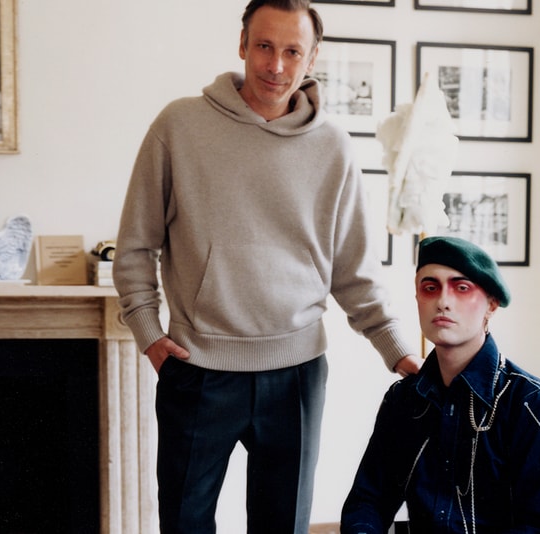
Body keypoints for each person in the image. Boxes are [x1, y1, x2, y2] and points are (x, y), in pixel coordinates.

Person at [113, 1, 420, 532]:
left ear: (312, 58)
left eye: (292, 51)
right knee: (184, 524)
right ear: (242, 44)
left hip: (296, 373)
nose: (276, 65)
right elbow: (136, 246)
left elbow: (354, 270)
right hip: (198, 366)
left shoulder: (333, 147)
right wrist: (149, 334)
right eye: (264, 46)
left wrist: (397, 351)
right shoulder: (179, 126)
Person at [341, 236, 540, 533]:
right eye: (430, 288)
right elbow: (367, 502)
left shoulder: (532, 404)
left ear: (491, 304)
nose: (443, 301)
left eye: (462, 288)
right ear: (417, 299)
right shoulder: (403, 400)